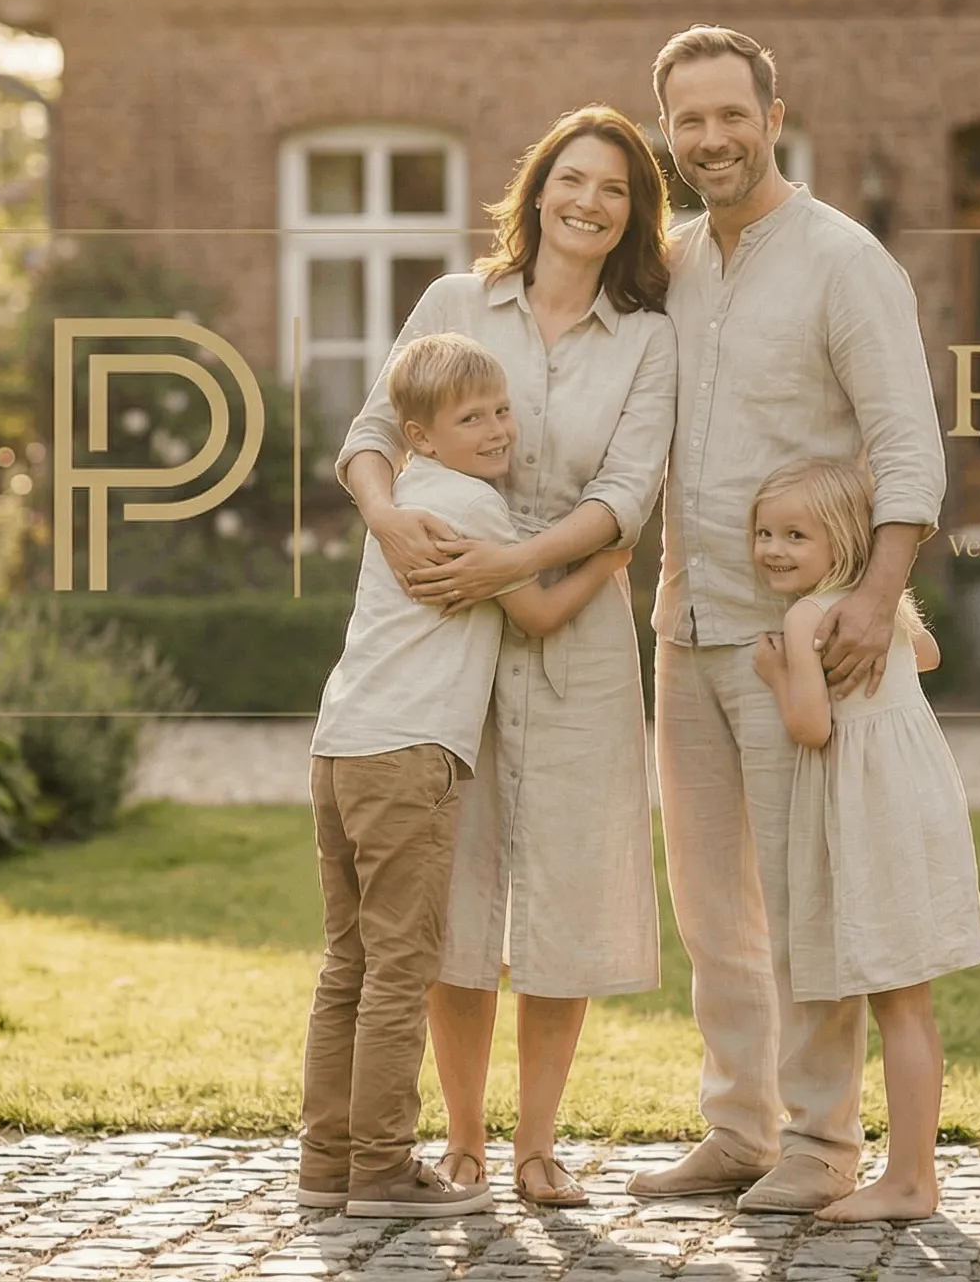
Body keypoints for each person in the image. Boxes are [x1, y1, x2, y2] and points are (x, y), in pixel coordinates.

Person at [628, 26, 949, 1214]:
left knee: (805, 893)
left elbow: (908, 446)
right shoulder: (673, 264)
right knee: (713, 905)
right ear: (668, 131)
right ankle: (738, 1127)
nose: (708, 138)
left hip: (799, 640)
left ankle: (822, 1143)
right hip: (683, 620)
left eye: (728, 114)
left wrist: (873, 598)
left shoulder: (842, 261)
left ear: (773, 114)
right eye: (687, 120)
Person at [338, 106, 676, 1209]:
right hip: (447, 646)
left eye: (612, 189)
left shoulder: (645, 336)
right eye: (569, 178)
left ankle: (537, 1145)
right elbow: (371, 432)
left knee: (567, 896)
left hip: (573, 634)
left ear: (633, 213)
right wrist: (388, 520)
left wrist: (514, 563)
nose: (586, 201)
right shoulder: (451, 303)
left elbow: (627, 491)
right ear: (536, 190)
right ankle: (465, 1143)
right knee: (460, 893)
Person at [302, 332, 632, 1220]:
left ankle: (324, 1161)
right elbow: (535, 613)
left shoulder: (408, 497)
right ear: (419, 434)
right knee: (402, 968)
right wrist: (608, 558)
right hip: (410, 757)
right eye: (470, 418)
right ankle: (379, 1169)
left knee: (350, 966)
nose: (496, 430)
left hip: (341, 747)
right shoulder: (475, 507)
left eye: (500, 411)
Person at [748, 457, 980, 1222]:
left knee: (898, 1003)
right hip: (915, 793)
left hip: (869, 809)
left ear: (842, 541)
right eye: (764, 533)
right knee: (911, 1003)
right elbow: (929, 657)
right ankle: (913, 1173)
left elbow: (812, 727)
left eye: (795, 535)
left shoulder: (804, 620)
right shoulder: (881, 610)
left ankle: (911, 1183)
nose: (774, 549)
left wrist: (781, 673)